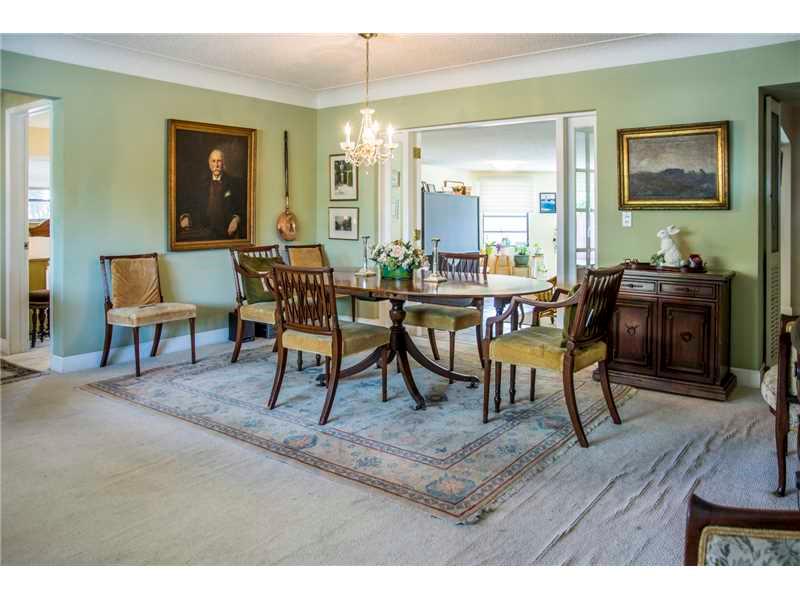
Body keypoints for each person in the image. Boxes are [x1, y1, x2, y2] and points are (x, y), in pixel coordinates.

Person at [179, 149, 244, 239]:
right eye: (213, 161)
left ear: (223, 163)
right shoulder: (201, 183)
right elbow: (192, 204)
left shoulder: (233, 183)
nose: (216, 165)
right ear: (209, 164)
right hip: (204, 230)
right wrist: (186, 216)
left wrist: (236, 220)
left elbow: (241, 208)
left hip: (226, 231)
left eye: (219, 161)